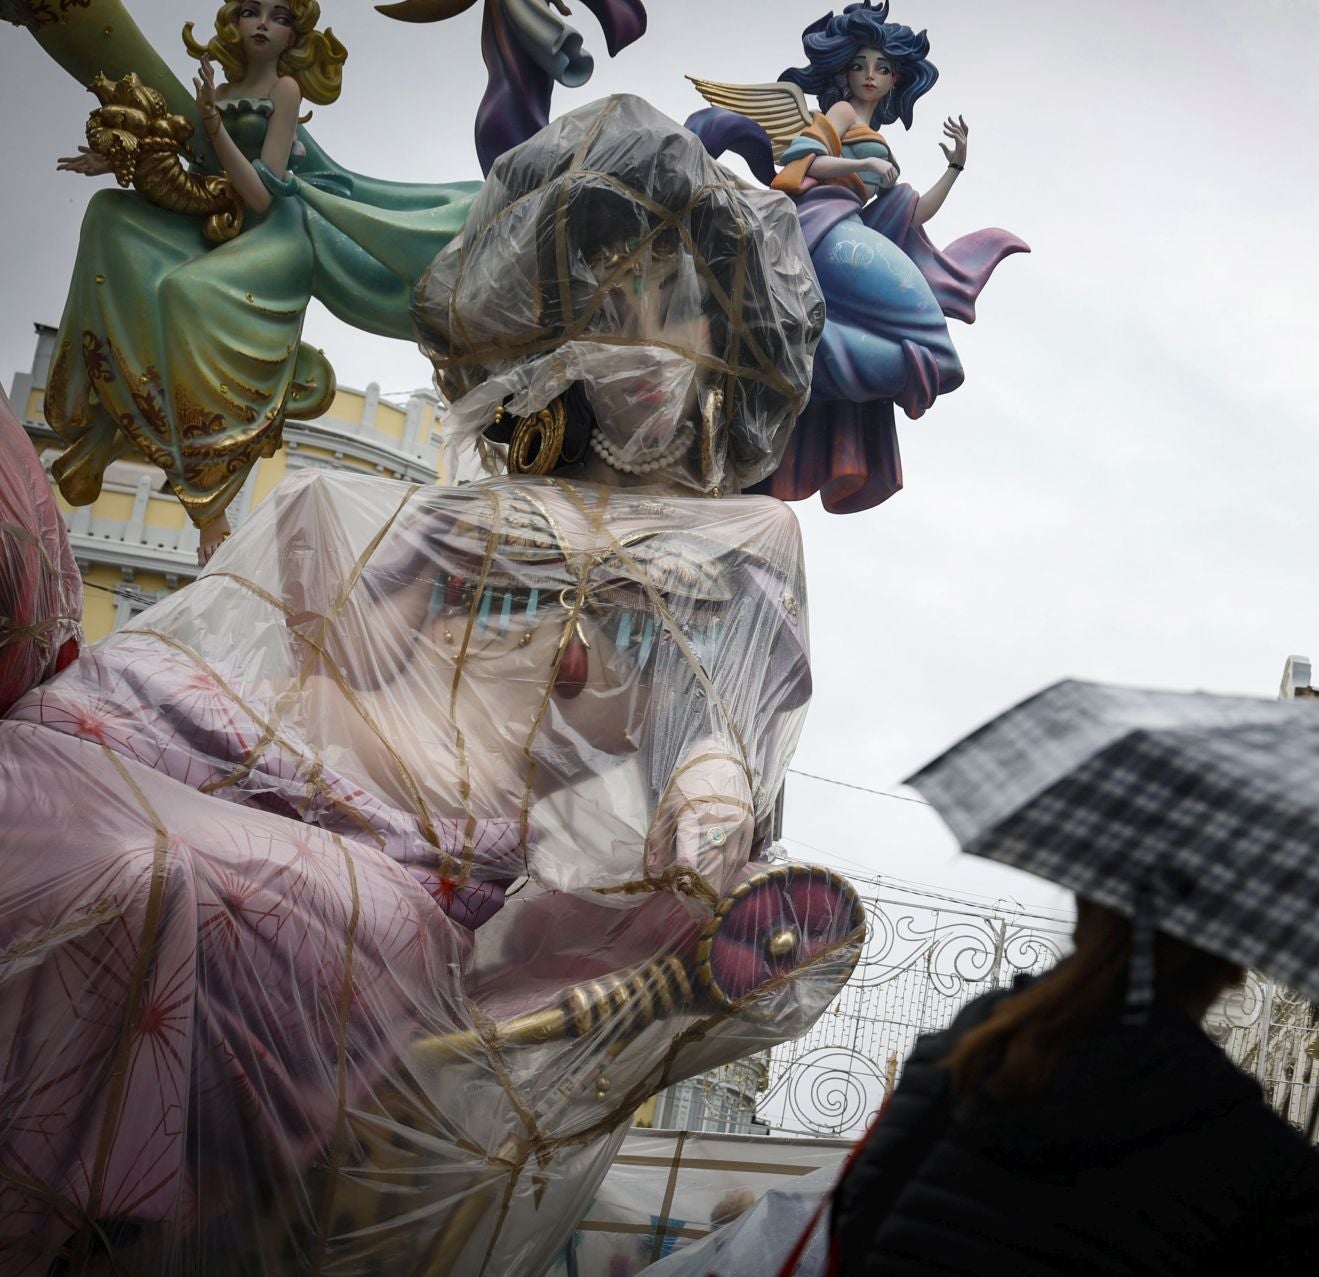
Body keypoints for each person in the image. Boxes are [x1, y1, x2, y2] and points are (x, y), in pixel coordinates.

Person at [0, 95, 835, 1276]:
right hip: (295, 767)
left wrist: (705, 789)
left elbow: (719, 710)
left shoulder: (739, 538)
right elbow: (350, 646)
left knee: (168, 881)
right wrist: (314, 578)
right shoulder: (463, 511)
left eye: (678, 301)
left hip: (444, 869)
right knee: (45, 799)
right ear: (549, 323)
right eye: (610, 299)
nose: (645, 335)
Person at [37, 0, 479, 563]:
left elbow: (265, 191)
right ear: (232, 24)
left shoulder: (284, 92)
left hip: (276, 234)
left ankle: (210, 502)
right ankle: (108, 412)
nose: (263, 23)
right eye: (250, 11)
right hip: (220, 223)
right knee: (108, 215)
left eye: (279, 15)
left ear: (295, 34)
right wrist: (125, 159)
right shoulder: (215, 97)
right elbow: (194, 176)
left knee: (185, 294)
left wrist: (216, 131)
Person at [830, 898, 1319, 1275]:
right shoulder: (1278, 1174)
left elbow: (855, 1226)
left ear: (1085, 915)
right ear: (1236, 965)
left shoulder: (971, 1048)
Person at [688, 1, 1027, 513]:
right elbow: (797, 168)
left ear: (897, 80)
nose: (870, 75)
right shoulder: (840, 115)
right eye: (861, 64)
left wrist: (955, 169)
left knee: (940, 359)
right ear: (844, 70)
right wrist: (862, 160)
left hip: (852, 231)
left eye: (883, 68)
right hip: (824, 231)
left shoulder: (878, 135)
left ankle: (799, 348)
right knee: (939, 359)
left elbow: (913, 217)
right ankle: (797, 350)